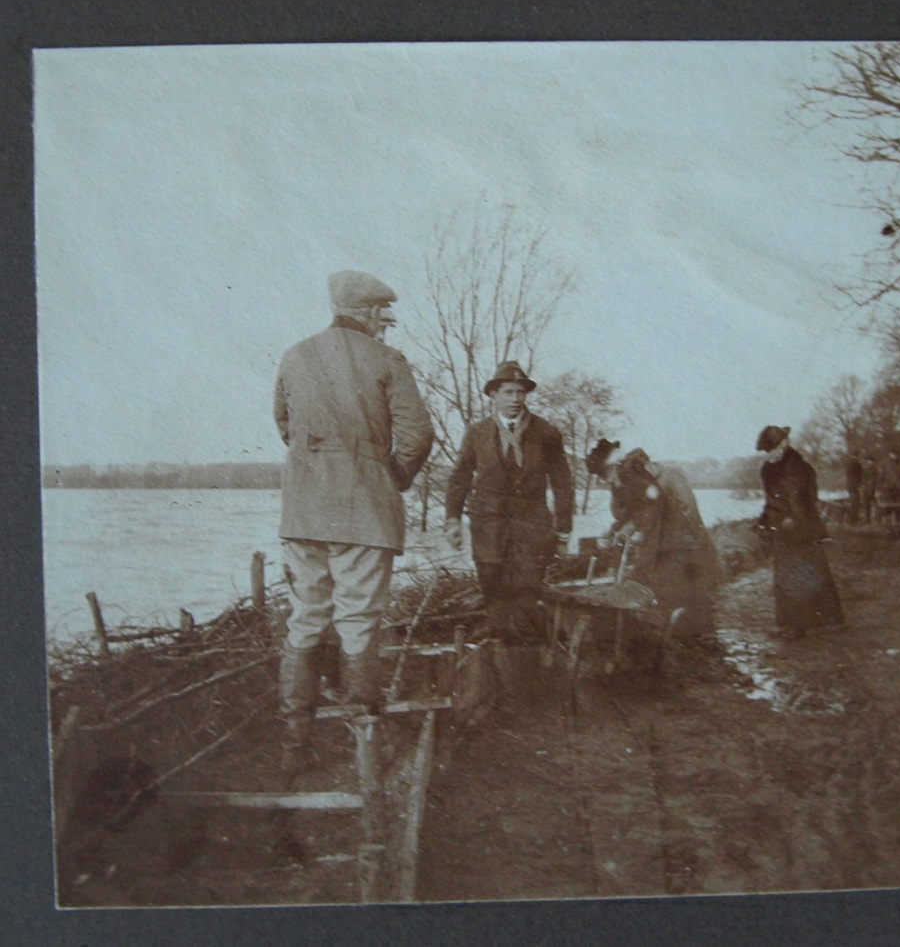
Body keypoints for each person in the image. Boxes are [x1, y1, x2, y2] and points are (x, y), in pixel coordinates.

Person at [273, 269, 434, 776]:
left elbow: (283, 422)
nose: (387, 324)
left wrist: (318, 467)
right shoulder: (387, 360)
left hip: (302, 510)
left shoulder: (295, 355)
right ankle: (364, 741)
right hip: (365, 511)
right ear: (365, 313)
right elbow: (417, 436)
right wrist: (389, 478)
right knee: (359, 619)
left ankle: (294, 743)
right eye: (383, 315)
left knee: (305, 617)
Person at [444, 361, 574, 639]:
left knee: (526, 600)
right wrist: (452, 519)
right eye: (508, 392)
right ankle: (499, 661)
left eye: (520, 393)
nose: (515, 400)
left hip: (532, 531)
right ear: (494, 394)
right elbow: (459, 478)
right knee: (495, 602)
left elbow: (563, 483)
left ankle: (526, 667)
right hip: (488, 532)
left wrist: (563, 530)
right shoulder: (477, 434)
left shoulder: (546, 433)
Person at [585, 440, 724, 636]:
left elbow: (689, 511)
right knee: (665, 596)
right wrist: (619, 531)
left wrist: (689, 543)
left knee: (692, 596)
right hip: (659, 547)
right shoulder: (628, 485)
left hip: (684, 545)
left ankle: (701, 640)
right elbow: (634, 514)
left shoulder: (671, 476)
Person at [755, 425, 843, 639]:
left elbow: (802, 500)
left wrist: (793, 521)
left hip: (801, 526)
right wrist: (764, 519)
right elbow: (771, 499)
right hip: (782, 527)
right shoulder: (768, 469)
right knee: (785, 574)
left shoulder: (799, 467)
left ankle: (800, 625)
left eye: (773, 450)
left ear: (784, 445)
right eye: (767, 452)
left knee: (802, 572)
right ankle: (787, 622)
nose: (769, 455)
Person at [877, 447, 900, 537]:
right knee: (887, 510)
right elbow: (881, 478)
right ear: (890, 454)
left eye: (896, 454)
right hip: (888, 490)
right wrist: (879, 489)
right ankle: (888, 529)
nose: (895, 456)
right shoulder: (885, 465)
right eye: (893, 453)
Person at [843, 450, 863, 525]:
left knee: (851, 502)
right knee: (854, 503)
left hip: (850, 486)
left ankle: (851, 520)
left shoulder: (848, 463)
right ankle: (853, 520)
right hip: (854, 486)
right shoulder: (856, 464)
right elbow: (859, 476)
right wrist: (859, 484)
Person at [860, 454, 879, 525]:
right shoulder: (866, 469)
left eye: (871, 461)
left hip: (873, 489)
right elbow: (863, 479)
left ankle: (876, 519)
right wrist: (863, 486)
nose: (870, 463)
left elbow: (877, 480)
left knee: (875, 505)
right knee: (866, 505)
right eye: (869, 461)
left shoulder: (875, 470)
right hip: (867, 489)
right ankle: (867, 519)